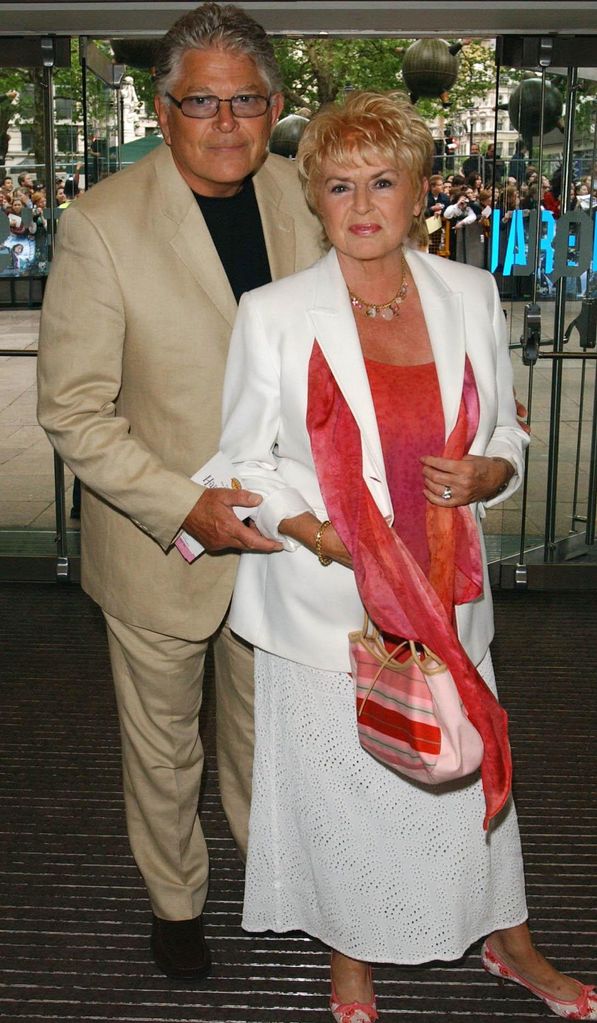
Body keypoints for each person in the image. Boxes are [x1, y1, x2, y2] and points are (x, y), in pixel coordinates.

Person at [220, 91, 597, 1022]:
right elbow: (239, 460)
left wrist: (485, 474)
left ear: (419, 191)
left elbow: (507, 434)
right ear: (314, 198)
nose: (360, 205)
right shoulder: (273, 313)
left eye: (382, 182)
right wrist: (311, 531)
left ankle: (507, 942)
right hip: (327, 603)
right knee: (345, 795)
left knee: (461, 776)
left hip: (446, 594)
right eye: (338, 185)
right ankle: (352, 955)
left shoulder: (468, 294)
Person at [37, 1, 321, 982]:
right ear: (163, 111)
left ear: (274, 105)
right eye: (202, 100)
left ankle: (267, 874)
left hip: (280, 537)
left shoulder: (303, 198)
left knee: (263, 729)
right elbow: (74, 411)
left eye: (246, 99)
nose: (227, 121)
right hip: (164, 541)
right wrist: (181, 505)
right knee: (164, 745)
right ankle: (175, 902)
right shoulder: (101, 224)